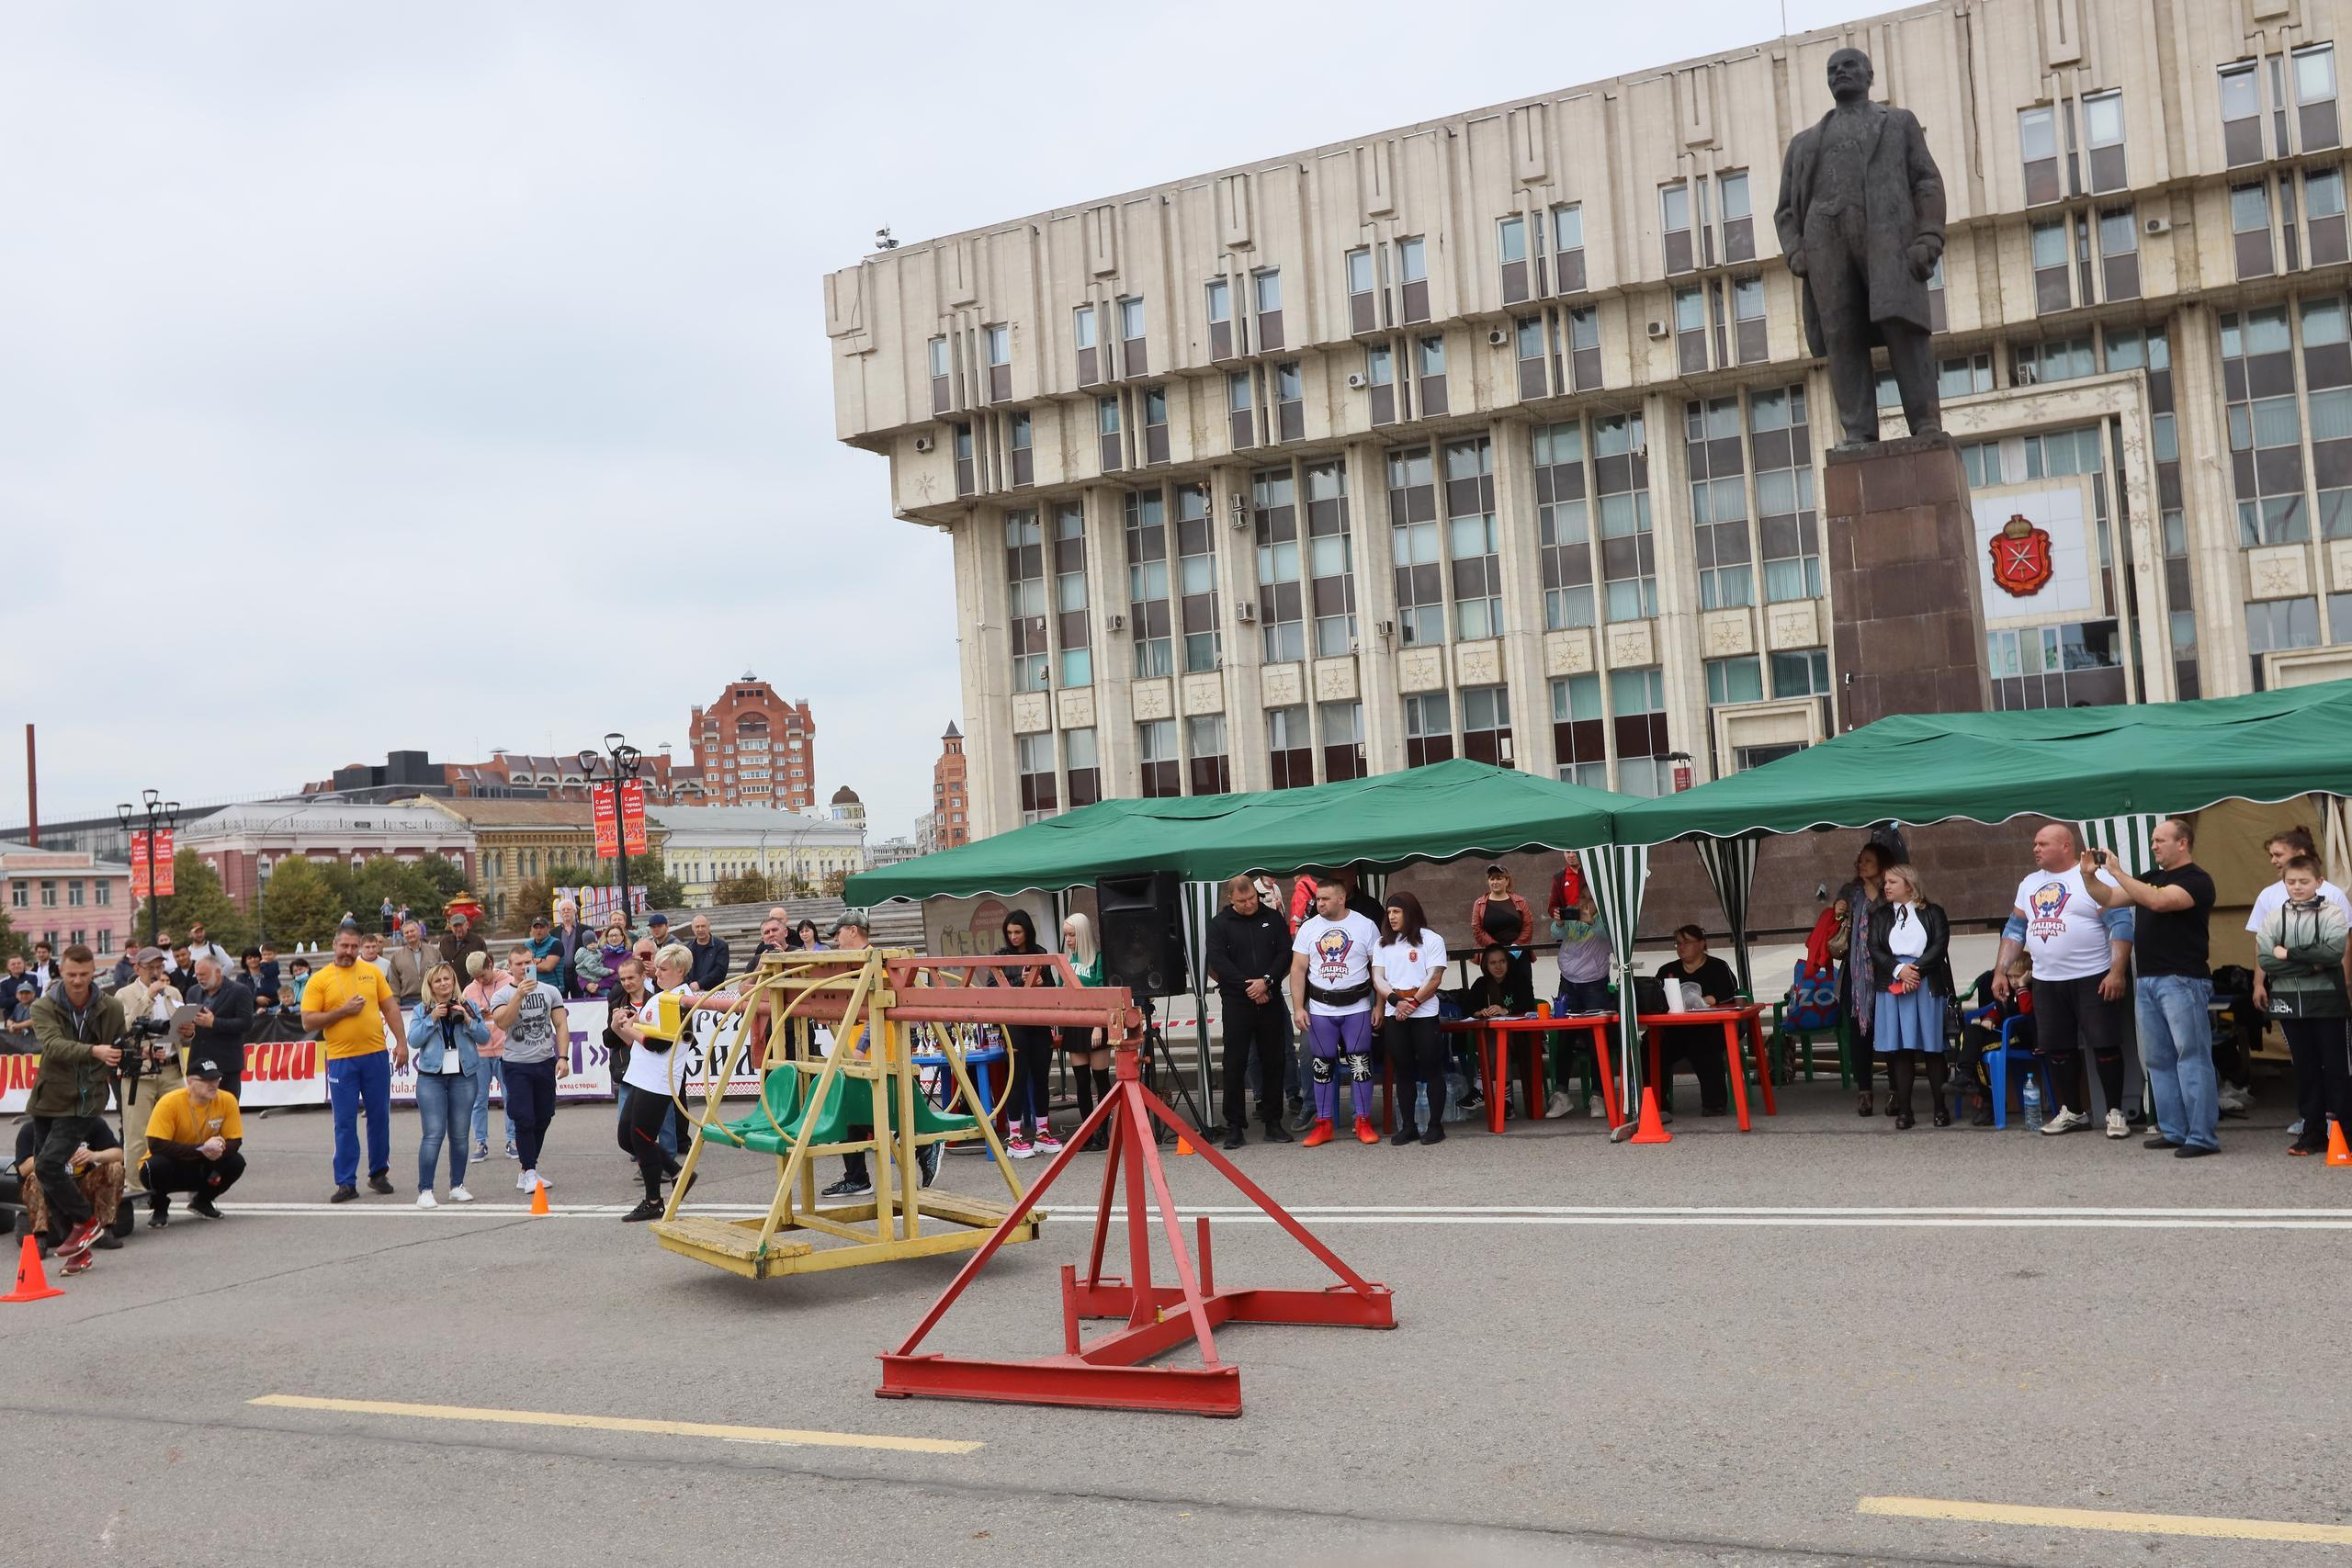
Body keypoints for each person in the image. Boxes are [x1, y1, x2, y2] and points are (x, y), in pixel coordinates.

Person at [2080, 818, 2221, 1157]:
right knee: (2158, 1060)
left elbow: (2159, 902)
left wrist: (2117, 871)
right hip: (2149, 979)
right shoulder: (2151, 877)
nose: (2154, 845)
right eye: (2153, 840)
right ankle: (2173, 1130)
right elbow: (2111, 898)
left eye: (2160, 840)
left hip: (2183, 979)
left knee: (2192, 1057)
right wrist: (2088, 876)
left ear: (2183, 843)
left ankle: (2202, 1136)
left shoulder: (2197, 880)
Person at [1995, 823, 2134, 1139]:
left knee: (2105, 1044)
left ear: (2066, 846)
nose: (2036, 848)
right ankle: (2073, 1110)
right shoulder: (2029, 883)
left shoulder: (2091, 879)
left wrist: (2117, 972)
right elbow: (2015, 930)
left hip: (2092, 976)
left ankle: (2115, 1111)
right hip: (2046, 979)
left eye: (2043, 843)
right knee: (2056, 1047)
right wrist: (2000, 970)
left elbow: (2122, 924)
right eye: (2035, 843)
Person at [819, 915, 940, 1198]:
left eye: (839, 934)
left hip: (878, 1054)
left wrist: (860, 1046)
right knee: (852, 1113)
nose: (835, 939)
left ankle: (923, 1144)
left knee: (877, 1113)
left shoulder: (877, 963)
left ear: (853, 931)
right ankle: (859, 1176)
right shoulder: (854, 965)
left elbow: (877, 1012)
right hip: (857, 1054)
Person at [25, 945, 127, 1270]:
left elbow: (123, 1045)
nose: (78, 981)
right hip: (49, 1097)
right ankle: (79, 1250)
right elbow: (52, 1047)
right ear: (61, 972)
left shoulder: (110, 1007)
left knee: (49, 1166)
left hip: (85, 1100)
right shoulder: (44, 1006)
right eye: (71, 975)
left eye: (84, 974)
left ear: (94, 971)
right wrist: (95, 1051)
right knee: (49, 1175)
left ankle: (87, 1222)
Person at [2245, 826, 2348, 1127]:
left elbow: (2336, 950)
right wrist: (2258, 981)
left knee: (2336, 1060)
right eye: (2272, 856)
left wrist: (2288, 954)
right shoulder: (2270, 898)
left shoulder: (2331, 896)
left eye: (2278, 854)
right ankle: (2311, 1123)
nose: (2273, 861)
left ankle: (2340, 1123)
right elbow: (2264, 952)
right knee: (2303, 1063)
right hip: (2289, 995)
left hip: (2328, 994)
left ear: (2300, 854)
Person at [302, 921, 410, 1202]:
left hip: (375, 1055)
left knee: (378, 1116)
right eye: (344, 946)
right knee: (345, 1122)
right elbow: (308, 1021)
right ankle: (346, 1182)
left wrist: (401, 1042)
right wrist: (342, 1011)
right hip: (341, 1060)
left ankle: (378, 1173)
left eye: (354, 946)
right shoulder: (320, 979)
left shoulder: (372, 973)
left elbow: (390, 1008)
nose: (349, 951)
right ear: (334, 945)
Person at [1289, 874, 1385, 1148]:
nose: (1319, 903)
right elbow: (1298, 969)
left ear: (1341, 898)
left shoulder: (1365, 926)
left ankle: (1363, 1121)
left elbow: (1378, 967)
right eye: (1317, 899)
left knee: (1360, 1065)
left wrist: (1378, 1005)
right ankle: (1324, 1124)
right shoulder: (1309, 928)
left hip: (1356, 1007)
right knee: (1321, 1066)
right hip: (1320, 1008)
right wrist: (1298, 1008)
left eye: (1325, 899)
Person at [613, 946, 700, 1222]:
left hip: (659, 1078)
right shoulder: (660, 997)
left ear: (680, 971)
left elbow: (660, 1044)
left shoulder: (681, 1000)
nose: (657, 973)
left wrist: (630, 1029)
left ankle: (654, 1201)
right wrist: (621, 1024)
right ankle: (678, 1173)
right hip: (640, 1074)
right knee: (627, 1137)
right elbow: (635, 1032)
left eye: (663, 969)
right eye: (657, 968)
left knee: (641, 1137)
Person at [1865, 864, 1955, 1131]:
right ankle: (1905, 1110)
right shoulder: (1880, 915)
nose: (1887, 886)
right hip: (1893, 984)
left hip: (1925, 983)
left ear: (1910, 884)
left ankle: (1941, 1107)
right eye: (1886, 882)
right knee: (1900, 1050)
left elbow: (1940, 945)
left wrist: (1913, 972)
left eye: (1893, 881)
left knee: (1933, 1048)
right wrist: (1898, 970)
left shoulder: (1933, 912)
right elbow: (1874, 947)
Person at [1206, 875, 1294, 1150]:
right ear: (1230, 899)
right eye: (1242, 901)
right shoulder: (1220, 924)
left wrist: (1266, 981)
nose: (1248, 905)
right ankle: (1235, 1125)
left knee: (1273, 1059)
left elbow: (1284, 953)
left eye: (1252, 899)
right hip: (1237, 1000)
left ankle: (1273, 1121)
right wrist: (1250, 987)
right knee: (1234, 1062)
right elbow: (1218, 960)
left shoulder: (1273, 918)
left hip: (1269, 997)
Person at [490, 946, 570, 1195]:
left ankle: (526, 1170)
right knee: (523, 1117)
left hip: (544, 1060)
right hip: (516, 1064)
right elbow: (503, 1023)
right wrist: (519, 996)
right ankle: (531, 1171)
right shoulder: (502, 995)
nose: (524, 968)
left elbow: (560, 1024)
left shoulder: (550, 991)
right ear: (509, 967)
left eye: (528, 962)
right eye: (518, 964)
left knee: (544, 1116)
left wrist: (563, 1056)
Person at [406, 962, 487, 1207]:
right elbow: (414, 1040)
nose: (443, 984)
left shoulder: (468, 1005)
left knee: (461, 1135)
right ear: (430, 985)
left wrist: (467, 1020)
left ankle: (457, 1185)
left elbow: (484, 1037)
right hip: (431, 1077)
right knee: (433, 1134)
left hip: (464, 1076)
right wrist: (432, 1019)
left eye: (447, 979)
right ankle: (425, 1190)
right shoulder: (422, 1010)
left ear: (454, 982)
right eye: (438, 980)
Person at [1374, 892, 1449, 1146]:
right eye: (1389, 912)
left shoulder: (1431, 940)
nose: (1392, 916)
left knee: (1431, 1068)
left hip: (1424, 1012)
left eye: (1397, 911)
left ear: (1410, 912)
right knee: (1403, 1071)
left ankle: (1435, 1126)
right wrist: (1396, 1001)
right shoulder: (1382, 943)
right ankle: (1408, 1126)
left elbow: (1435, 977)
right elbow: (1378, 978)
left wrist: (1414, 1002)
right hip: (1395, 1012)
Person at [139, 1056, 246, 1226]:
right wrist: (201, 1149)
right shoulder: (169, 1102)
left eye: (216, 1079)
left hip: (204, 1162)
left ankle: (202, 1201)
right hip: (172, 1163)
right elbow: (156, 1144)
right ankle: (159, 1206)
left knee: (236, 1162)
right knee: (155, 1166)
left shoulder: (227, 1100)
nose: (213, 1084)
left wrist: (220, 1148)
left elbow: (235, 1140)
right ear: (190, 1082)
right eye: (206, 1080)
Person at [115, 947, 186, 1203]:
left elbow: (182, 1033)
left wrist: (188, 1028)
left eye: (159, 966)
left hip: (171, 1067)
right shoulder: (124, 995)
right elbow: (126, 1028)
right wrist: (148, 997)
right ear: (137, 969)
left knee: (182, 1127)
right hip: (140, 1072)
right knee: (138, 1132)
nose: (156, 972)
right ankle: (135, 1187)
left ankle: (183, 1180)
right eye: (150, 967)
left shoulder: (174, 992)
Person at [11, 1114, 123, 1273]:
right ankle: (40, 1237)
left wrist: (93, 1155)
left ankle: (105, 1228)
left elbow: (119, 1153)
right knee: (34, 1177)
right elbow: (22, 1169)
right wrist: (52, 1156)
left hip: (82, 1182)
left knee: (115, 1168)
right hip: (50, 1186)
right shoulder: (31, 1129)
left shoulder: (91, 1123)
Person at [990, 910, 1060, 1159]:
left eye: (1018, 932)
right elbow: (992, 990)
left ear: (1027, 931)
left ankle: (1042, 1132)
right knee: (1016, 1079)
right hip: (1013, 1024)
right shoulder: (1000, 956)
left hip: (1039, 1022)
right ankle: (1015, 1136)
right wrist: (1019, 983)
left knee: (1041, 1078)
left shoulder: (1040, 952)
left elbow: (1054, 988)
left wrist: (1042, 984)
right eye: (1009, 932)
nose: (1013, 937)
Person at [1649, 927, 1740, 1117]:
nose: (1681, 947)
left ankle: (1714, 1103)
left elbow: (1730, 994)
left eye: (1687, 942)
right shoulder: (1667, 970)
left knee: (1704, 1046)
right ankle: (1656, 1103)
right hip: (1676, 1030)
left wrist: (1709, 1000)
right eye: (1678, 943)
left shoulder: (1718, 967)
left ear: (1702, 944)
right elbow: (1656, 999)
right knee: (1650, 1047)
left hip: (1711, 1028)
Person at [1835, 843, 1893, 1115]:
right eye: (1859, 860)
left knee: (1890, 1030)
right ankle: (1864, 1091)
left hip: (1884, 972)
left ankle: (1895, 1089)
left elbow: (1888, 919)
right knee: (1859, 1034)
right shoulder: (1851, 890)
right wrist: (1839, 908)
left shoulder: (1890, 890)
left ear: (1881, 866)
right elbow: (1839, 912)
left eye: (1868, 861)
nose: (1862, 865)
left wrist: (1875, 895)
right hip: (1854, 976)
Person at [1056, 911, 1116, 1150]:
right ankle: (1087, 1132)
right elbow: (1062, 991)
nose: (1068, 940)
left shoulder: (1099, 959)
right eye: (1066, 936)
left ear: (1082, 934)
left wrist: (1098, 1026)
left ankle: (1102, 1130)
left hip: (1095, 1025)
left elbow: (1102, 994)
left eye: (1072, 935)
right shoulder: (1067, 961)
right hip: (1074, 1024)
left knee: (1100, 1079)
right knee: (1081, 1081)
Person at [1955, 955, 2033, 1126]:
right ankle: (1965, 1075)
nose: (2013, 981)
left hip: (2021, 1037)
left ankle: (1988, 1102)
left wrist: (2022, 985)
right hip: (2004, 1033)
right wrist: (1990, 1018)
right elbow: (1998, 1008)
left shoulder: (2029, 989)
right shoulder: (2007, 988)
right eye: (2010, 976)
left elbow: (2026, 1010)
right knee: (1969, 1033)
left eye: (2017, 976)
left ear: (2027, 974)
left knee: (1978, 1048)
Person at [182, 953, 254, 1102]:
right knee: (197, 1110)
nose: (200, 978)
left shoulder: (239, 991)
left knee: (226, 1108)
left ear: (218, 972)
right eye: (197, 975)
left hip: (226, 1063)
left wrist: (214, 1023)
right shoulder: (193, 992)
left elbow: (246, 1023)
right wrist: (187, 1031)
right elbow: (192, 1025)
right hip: (198, 1062)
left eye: (204, 974)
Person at [461, 950, 512, 1163]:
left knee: (511, 1098)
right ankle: (480, 1141)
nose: (480, 980)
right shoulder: (469, 990)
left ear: (491, 964)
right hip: (480, 1052)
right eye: (476, 977)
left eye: (483, 975)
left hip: (505, 1050)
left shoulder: (508, 982)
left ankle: (513, 1139)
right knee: (478, 1100)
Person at [551, 897, 597, 998]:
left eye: (569, 909)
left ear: (575, 911)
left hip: (580, 974)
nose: (566, 912)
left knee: (581, 1004)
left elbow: (593, 952)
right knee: (559, 1003)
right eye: (563, 910)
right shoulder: (553, 933)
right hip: (560, 975)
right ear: (560, 913)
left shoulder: (587, 930)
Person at [384, 919, 432, 1007]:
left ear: (419, 932)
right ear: (403, 935)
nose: (410, 934)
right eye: (406, 933)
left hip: (432, 999)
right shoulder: (397, 956)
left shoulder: (433, 951)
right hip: (408, 1002)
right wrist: (396, 1004)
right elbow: (394, 983)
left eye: (412, 931)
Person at [435, 911, 487, 985]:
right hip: (450, 986)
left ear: (467, 925)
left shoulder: (477, 941)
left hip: (471, 985)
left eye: (461, 926)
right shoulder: (444, 942)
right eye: (455, 926)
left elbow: (485, 964)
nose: (459, 929)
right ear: (451, 927)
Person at [685, 914, 731, 990]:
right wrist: (690, 984)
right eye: (697, 927)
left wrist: (700, 984)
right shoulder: (687, 948)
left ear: (709, 927)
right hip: (691, 991)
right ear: (692, 929)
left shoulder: (721, 946)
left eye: (703, 926)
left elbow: (720, 971)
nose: (700, 929)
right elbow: (683, 970)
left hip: (714, 992)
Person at [241, 947, 279, 1016]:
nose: (253, 960)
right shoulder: (242, 978)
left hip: (271, 1011)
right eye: (249, 958)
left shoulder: (270, 974)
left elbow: (278, 992)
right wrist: (255, 999)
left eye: (255, 957)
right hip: (250, 1012)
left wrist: (268, 1001)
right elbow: (240, 995)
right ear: (245, 961)